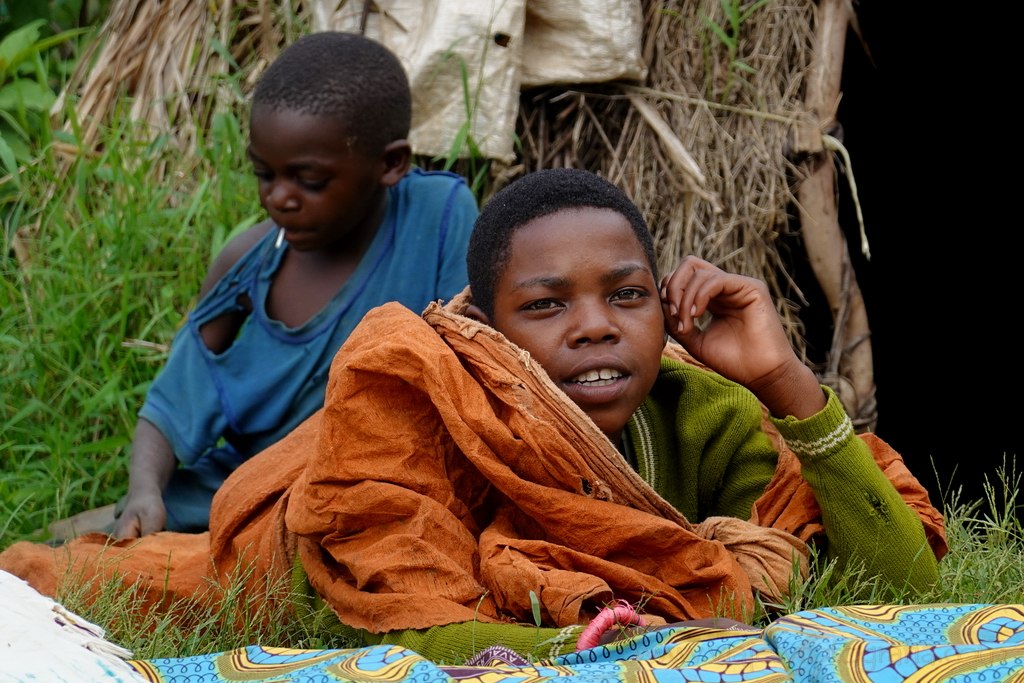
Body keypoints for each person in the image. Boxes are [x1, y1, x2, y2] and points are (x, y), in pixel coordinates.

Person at [1, 168, 946, 664]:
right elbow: (408, 612)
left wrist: (784, 378)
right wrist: (569, 644)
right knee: (80, 583)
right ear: (486, 330)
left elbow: (904, 587)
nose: (593, 329)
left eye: (626, 296)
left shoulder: (707, 415)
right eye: (544, 305)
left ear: (666, 308)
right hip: (297, 565)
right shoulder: (428, 397)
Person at [60, 31, 478, 540]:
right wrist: (146, 488)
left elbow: (463, 353)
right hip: (250, 484)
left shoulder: (438, 217)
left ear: (390, 164)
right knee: (89, 545)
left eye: (310, 181)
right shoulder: (248, 265)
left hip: (393, 477)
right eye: (264, 174)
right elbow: (173, 401)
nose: (280, 198)